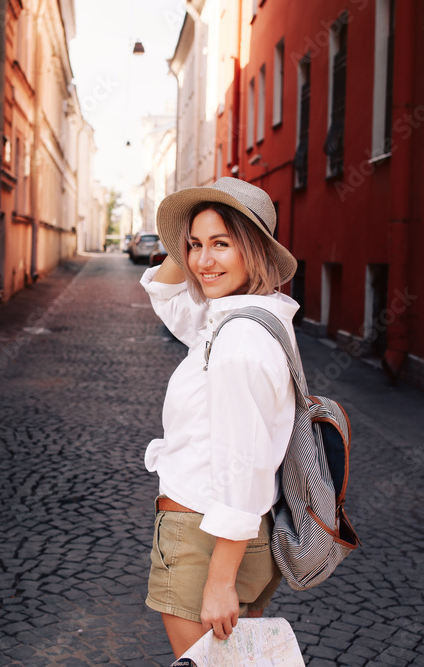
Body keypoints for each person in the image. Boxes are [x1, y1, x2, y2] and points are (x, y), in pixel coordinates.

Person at [139, 177, 302, 658]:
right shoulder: (250, 317)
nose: (201, 261)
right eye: (194, 246)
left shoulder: (237, 342)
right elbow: (168, 297)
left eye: (221, 245)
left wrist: (219, 582)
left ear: (254, 249)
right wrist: (194, 224)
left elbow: (242, 465)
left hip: (203, 541)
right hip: (233, 538)